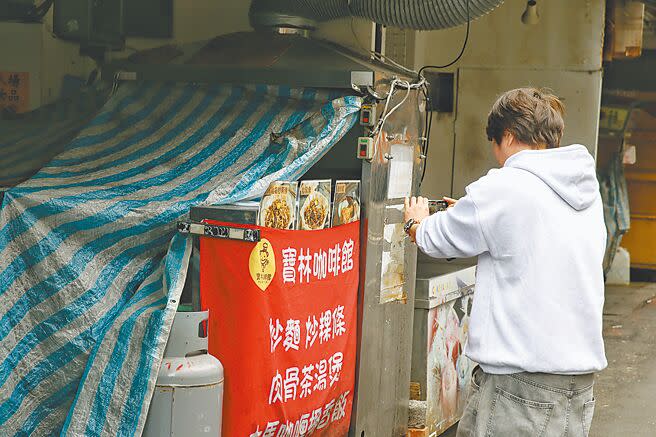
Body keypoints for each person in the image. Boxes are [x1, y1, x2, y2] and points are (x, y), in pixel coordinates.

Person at [404, 88, 607, 437]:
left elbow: (436, 238)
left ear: (508, 136)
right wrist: (470, 213)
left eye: (495, 144)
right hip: (577, 387)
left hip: (521, 389)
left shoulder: (505, 185)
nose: (497, 156)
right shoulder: (584, 191)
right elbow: (527, 234)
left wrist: (415, 221)